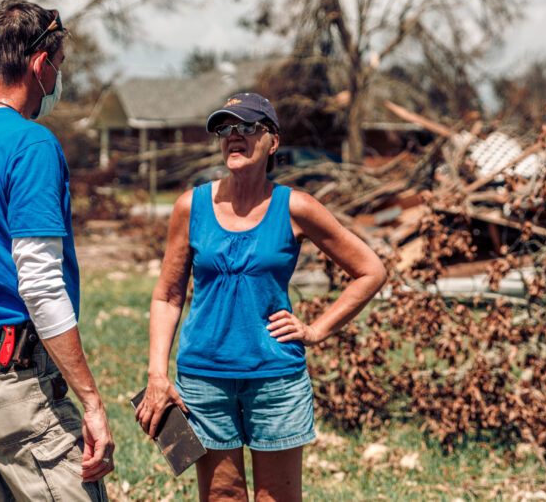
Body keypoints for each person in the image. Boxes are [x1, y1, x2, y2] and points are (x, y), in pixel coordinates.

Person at [135, 93, 388, 502]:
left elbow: (370, 270)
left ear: (272, 141)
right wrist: (157, 375)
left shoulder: (296, 207)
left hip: (275, 380)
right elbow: (167, 296)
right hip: (204, 379)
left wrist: (317, 329)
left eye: (248, 127)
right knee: (223, 498)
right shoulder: (190, 206)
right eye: (225, 128)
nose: (235, 136)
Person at [0, 0, 114, 500]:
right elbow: (39, 281)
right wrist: (91, 402)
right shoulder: (30, 144)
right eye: (59, 64)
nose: (58, 76)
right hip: (14, 371)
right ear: (40, 64)